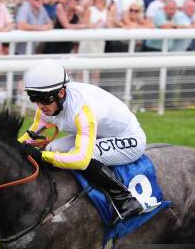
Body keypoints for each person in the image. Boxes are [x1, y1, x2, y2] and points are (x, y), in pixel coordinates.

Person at [19, 59, 145, 224]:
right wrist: (13, 147)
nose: (40, 105)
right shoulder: (48, 105)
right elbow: (31, 135)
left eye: (44, 98)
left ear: (61, 93)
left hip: (129, 138)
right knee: (52, 147)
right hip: (99, 134)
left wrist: (42, 156)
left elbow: (81, 159)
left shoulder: (82, 109)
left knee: (80, 156)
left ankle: (125, 199)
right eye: (34, 98)